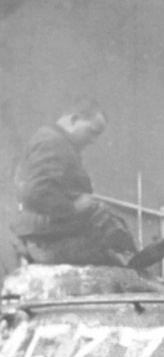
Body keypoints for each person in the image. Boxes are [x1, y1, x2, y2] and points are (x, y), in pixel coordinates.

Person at [12, 97, 137, 267]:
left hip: (47, 234)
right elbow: (36, 191)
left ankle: (129, 257)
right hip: (46, 240)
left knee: (112, 236)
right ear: (73, 120)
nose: (94, 140)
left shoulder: (59, 142)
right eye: (92, 132)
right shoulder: (52, 141)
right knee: (114, 263)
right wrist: (73, 207)